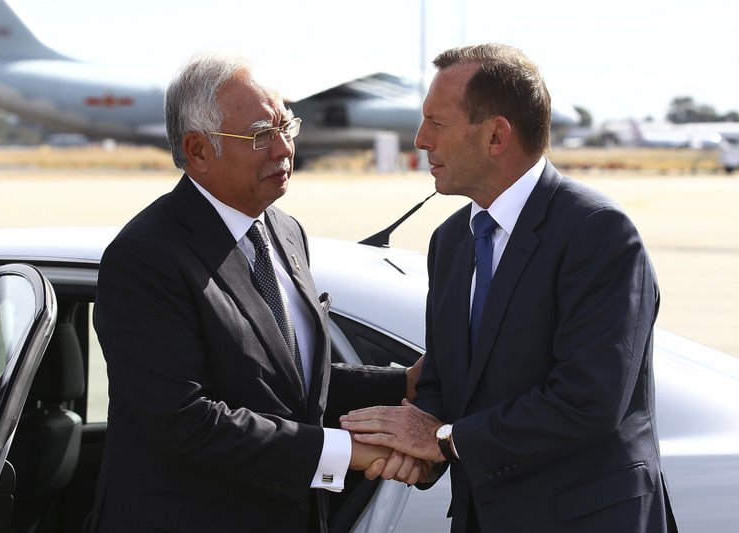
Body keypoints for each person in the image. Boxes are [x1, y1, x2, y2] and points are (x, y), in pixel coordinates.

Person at [341, 44, 678, 532]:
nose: (419, 140)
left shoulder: (596, 232)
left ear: (497, 135)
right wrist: (409, 445)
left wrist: (441, 440)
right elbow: (444, 382)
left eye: (437, 123)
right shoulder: (451, 241)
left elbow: (587, 400)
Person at [89, 53, 421, 533]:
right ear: (198, 150)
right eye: (260, 135)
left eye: (287, 126)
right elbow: (184, 420)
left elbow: (283, 379)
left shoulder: (285, 232)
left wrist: (401, 384)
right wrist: (347, 452)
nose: (284, 149)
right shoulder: (146, 256)